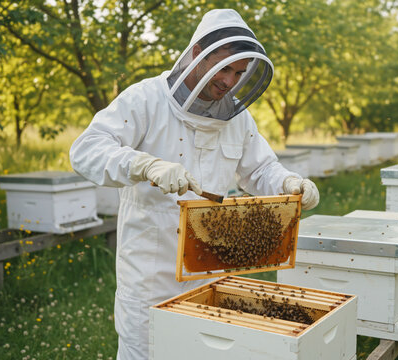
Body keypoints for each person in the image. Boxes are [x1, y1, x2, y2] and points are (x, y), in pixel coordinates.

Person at [69, 8, 319, 359]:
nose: (230, 81)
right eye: (224, 68)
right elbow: (86, 150)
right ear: (198, 53)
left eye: (238, 73)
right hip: (148, 273)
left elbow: (261, 170)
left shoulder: (236, 117)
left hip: (210, 268)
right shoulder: (145, 99)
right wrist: (144, 164)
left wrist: (290, 183)